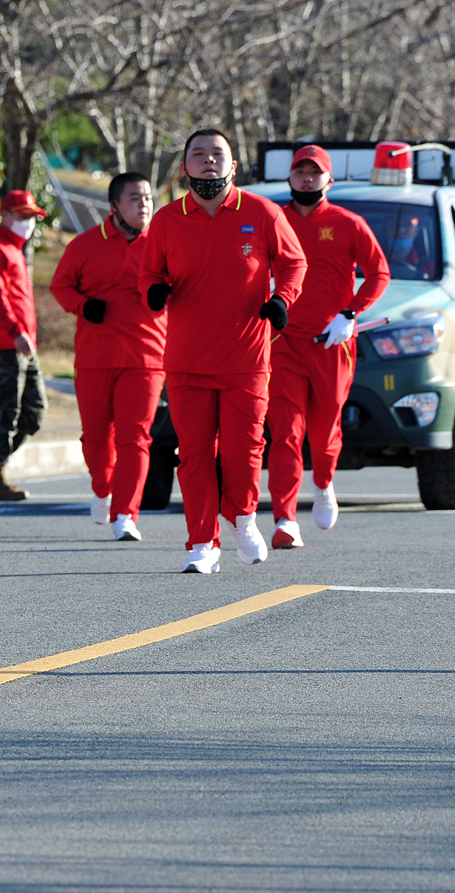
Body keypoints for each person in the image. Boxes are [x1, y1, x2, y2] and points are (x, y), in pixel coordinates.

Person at [138, 128, 307, 573]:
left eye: (217, 154)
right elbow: (149, 271)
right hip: (187, 360)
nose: (208, 161)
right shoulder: (167, 220)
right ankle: (202, 544)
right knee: (193, 455)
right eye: (198, 154)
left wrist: (281, 299)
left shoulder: (262, 212)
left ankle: (244, 518)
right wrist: (154, 289)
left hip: (246, 360)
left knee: (243, 451)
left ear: (234, 165)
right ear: (185, 168)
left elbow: (294, 263)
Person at [268, 144, 390, 549]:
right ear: (289, 177)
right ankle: (285, 519)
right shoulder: (273, 219)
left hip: (332, 342)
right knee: (285, 432)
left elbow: (379, 273)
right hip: (283, 342)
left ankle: (323, 483)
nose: (306, 178)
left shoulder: (347, 223)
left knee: (322, 434)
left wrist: (350, 314)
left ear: (328, 181)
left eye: (314, 172)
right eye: (300, 171)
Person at [50, 172, 166, 541]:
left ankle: (126, 515)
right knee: (96, 439)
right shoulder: (84, 245)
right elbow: (60, 286)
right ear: (114, 206)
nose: (144, 204)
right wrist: (83, 306)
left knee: (136, 438)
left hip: (147, 358)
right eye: (135, 198)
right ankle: (103, 488)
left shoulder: (164, 245)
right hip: (95, 357)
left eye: (147, 197)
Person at [0, 190, 49, 501]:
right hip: (5, 343)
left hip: (23, 345)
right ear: (6, 215)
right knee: (5, 410)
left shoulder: (14, 250)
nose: (28, 222)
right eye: (23, 215)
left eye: (32, 217)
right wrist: (16, 331)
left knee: (35, 412)